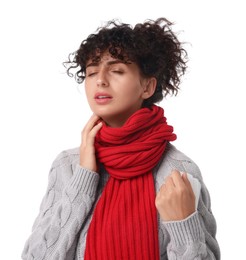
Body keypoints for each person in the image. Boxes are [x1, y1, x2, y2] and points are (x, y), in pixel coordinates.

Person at [22, 18, 220, 260]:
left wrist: (183, 226)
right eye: (92, 71)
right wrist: (83, 179)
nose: (100, 80)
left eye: (116, 70)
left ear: (147, 87)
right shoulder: (69, 166)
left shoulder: (178, 172)